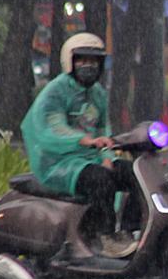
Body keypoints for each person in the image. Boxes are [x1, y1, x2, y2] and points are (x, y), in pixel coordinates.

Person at [20, 32, 138, 259]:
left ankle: (129, 230)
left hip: (90, 159)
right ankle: (104, 237)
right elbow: (52, 128)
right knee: (101, 180)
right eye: (82, 60)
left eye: (94, 61)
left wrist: (107, 156)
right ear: (70, 62)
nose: (88, 66)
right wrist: (85, 141)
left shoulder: (98, 94)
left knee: (134, 174)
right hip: (59, 163)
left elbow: (104, 129)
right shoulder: (55, 91)